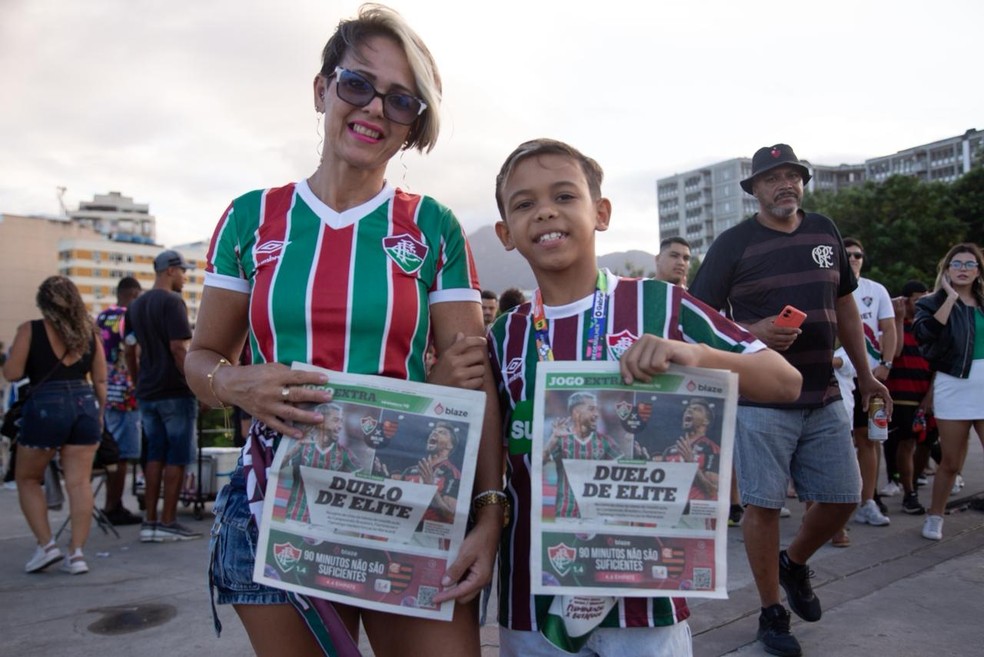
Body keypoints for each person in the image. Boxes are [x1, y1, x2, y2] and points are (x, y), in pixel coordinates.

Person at [184, 6, 503, 657]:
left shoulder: (434, 227)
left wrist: (490, 514)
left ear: (413, 125)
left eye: (401, 99)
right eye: (358, 84)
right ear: (322, 89)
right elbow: (202, 358)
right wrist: (235, 384)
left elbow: (474, 382)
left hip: (410, 496)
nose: (375, 109)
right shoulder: (251, 218)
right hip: (275, 498)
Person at [488, 138, 801, 657]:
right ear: (505, 233)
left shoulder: (662, 304)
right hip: (533, 601)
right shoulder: (505, 335)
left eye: (564, 196)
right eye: (524, 204)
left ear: (601, 212)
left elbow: (784, 381)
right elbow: (492, 453)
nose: (544, 211)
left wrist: (695, 354)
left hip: (647, 599)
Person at [688, 143, 890, 657]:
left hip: (824, 393)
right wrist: (751, 331)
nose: (786, 185)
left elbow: (845, 305)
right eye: (773, 178)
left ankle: (793, 563)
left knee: (845, 496)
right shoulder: (733, 244)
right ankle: (771, 612)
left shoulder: (824, 230)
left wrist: (867, 375)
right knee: (764, 505)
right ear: (754, 189)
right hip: (761, 399)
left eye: (793, 176)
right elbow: (696, 316)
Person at [2, 276, 107, 575]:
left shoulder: (31, 329)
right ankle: (77, 555)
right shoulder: (90, 333)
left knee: (27, 478)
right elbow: (100, 380)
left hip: (46, 407)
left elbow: (12, 373)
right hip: (85, 405)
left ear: (43, 302)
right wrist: (99, 415)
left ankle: (47, 546)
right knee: (79, 483)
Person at [124, 249, 202, 543]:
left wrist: (137, 381)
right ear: (170, 270)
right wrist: (196, 384)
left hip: (148, 391)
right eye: (183, 271)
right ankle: (168, 521)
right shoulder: (173, 302)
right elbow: (178, 348)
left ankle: (150, 521)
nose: (185, 277)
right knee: (177, 456)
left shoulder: (136, 306)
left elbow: (129, 349)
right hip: (174, 390)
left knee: (154, 454)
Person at [913, 242, 984, 541]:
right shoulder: (931, 302)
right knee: (951, 461)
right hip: (953, 384)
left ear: (978, 271)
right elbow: (925, 334)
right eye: (957, 264)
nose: (963, 269)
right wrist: (950, 298)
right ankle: (935, 516)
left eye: (969, 264)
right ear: (947, 269)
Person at [841, 238, 895, 527]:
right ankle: (834, 508)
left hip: (870, 378)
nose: (853, 258)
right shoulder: (830, 287)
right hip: (837, 378)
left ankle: (868, 502)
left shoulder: (876, 290)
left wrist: (886, 364)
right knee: (838, 441)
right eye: (847, 254)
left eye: (858, 255)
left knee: (869, 438)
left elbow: (889, 329)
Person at [95, 276, 143, 525]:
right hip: (126, 392)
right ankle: (113, 507)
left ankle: (110, 504)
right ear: (133, 293)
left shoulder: (103, 316)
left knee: (110, 450)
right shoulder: (130, 316)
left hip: (105, 389)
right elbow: (134, 350)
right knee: (122, 454)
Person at [885, 280, 932, 516]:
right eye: (917, 300)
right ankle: (909, 493)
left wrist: (931, 396)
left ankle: (913, 481)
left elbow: (938, 362)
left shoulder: (929, 325)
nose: (922, 304)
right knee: (906, 443)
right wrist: (898, 319)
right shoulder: (894, 324)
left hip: (927, 393)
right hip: (902, 393)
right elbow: (896, 352)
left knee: (927, 443)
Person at [542, 392, 621, 519]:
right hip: (566, 513)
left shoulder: (605, 441)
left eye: (597, 409)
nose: (597, 414)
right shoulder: (560, 439)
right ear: (576, 413)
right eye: (591, 409)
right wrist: (553, 439)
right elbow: (538, 462)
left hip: (596, 513)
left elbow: (623, 469)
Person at [281, 403, 355, 523]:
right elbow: (274, 470)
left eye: (341, 421)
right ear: (321, 422)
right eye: (336, 420)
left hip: (326, 522)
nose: (340, 426)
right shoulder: (301, 446)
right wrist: (292, 451)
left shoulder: (345, 453)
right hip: (296, 517)